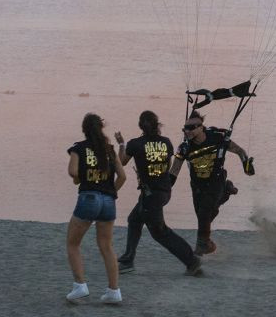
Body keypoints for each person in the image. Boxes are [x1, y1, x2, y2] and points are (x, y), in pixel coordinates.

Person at [114, 110, 203, 276]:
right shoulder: (166, 142)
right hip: (164, 190)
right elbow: (166, 167)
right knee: (134, 219)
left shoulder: (135, 144)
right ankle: (127, 260)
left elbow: (121, 163)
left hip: (151, 195)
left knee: (160, 232)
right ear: (157, 125)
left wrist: (121, 144)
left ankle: (192, 261)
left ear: (141, 126)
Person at [169, 111, 254, 256]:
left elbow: (240, 151)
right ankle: (227, 191)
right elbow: (174, 171)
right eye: (185, 128)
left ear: (201, 127)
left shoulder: (217, 138)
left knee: (204, 213)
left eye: (191, 127)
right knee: (206, 216)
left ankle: (201, 246)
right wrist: (163, 188)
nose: (187, 131)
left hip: (216, 181)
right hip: (197, 186)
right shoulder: (184, 147)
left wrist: (247, 167)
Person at [65, 113, 127, 304]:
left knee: (73, 243)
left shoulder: (78, 148)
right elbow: (122, 176)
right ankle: (114, 290)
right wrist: (110, 192)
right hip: (108, 200)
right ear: (101, 128)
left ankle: (80, 285)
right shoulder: (109, 149)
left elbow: (73, 172)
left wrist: (81, 178)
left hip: (89, 197)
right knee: (106, 246)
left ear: (84, 129)